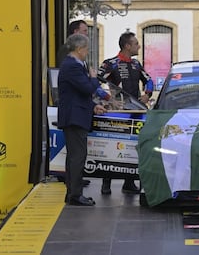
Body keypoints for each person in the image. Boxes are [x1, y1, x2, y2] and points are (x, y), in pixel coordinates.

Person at [57, 33, 111, 206]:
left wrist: (93, 106)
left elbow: (78, 94)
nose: (87, 52)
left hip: (76, 114)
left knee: (74, 156)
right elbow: (87, 88)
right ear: (79, 49)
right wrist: (93, 78)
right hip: (75, 117)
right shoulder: (72, 66)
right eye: (86, 49)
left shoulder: (73, 65)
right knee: (77, 157)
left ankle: (71, 193)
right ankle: (75, 194)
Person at [98, 31, 154, 195]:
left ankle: (129, 182)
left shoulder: (136, 64)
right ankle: (106, 183)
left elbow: (149, 80)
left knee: (132, 146)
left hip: (136, 111)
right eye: (136, 43)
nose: (139, 46)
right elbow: (94, 81)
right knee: (111, 147)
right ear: (127, 46)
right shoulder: (110, 63)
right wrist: (107, 98)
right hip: (117, 112)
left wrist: (147, 94)